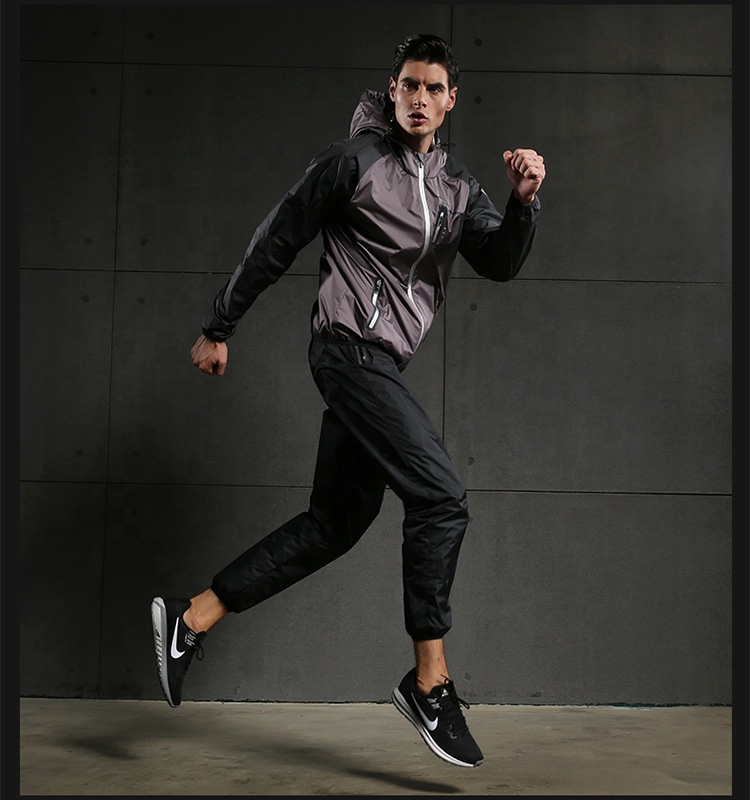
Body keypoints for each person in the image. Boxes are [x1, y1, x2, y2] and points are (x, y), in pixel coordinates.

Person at [151, 33, 545, 769]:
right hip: (347, 350)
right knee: (442, 497)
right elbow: (277, 237)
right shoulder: (352, 162)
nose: (420, 98)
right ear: (392, 91)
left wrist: (523, 203)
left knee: (335, 524)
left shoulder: (457, 186)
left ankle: (192, 617)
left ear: (451, 101)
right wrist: (219, 325)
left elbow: (499, 262)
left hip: (380, 364)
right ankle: (429, 683)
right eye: (409, 85)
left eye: (433, 88)